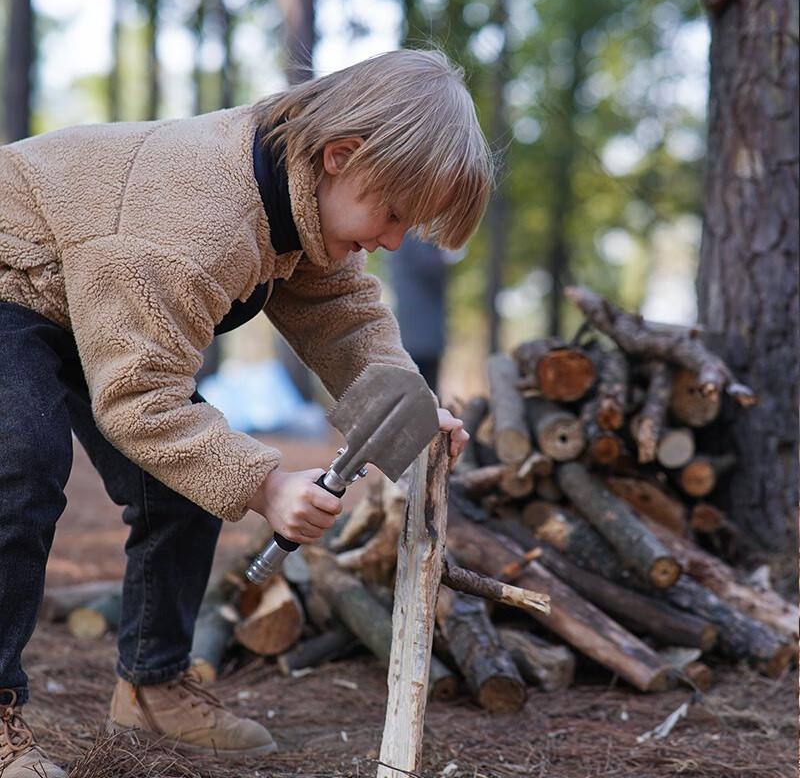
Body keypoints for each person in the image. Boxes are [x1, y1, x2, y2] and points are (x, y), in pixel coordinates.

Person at [0, 49, 492, 775]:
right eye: (392, 215)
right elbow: (139, 398)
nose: (391, 241)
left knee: (182, 483)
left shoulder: (296, 199)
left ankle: (151, 682)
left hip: (79, 296)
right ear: (341, 155)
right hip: (11, 271)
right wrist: (267, 486)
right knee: (20, 460)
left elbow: (346, 319)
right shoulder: (195, 217)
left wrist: (410, 422)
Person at [389, 231, 448, 395]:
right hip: (421, 333)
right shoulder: (414, 234)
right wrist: (443, 255)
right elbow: (429, 268)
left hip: (417, 331)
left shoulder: (405, 234)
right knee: (424, 391)